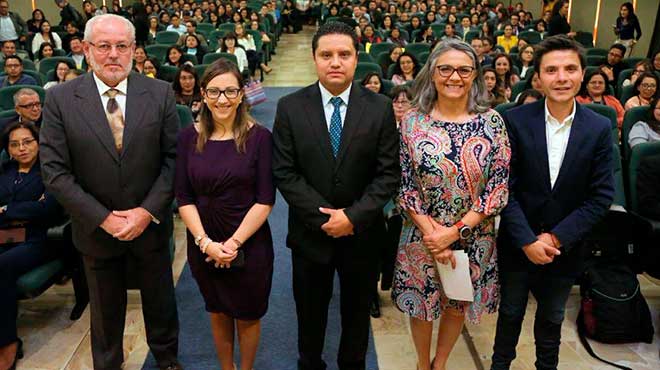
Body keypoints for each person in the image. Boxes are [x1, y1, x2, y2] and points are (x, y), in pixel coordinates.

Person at [39, 14, 181, 370]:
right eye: (104, 46)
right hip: (96, 231)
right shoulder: (60, 100)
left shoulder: (160, 93)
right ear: (87, 50)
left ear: (134, 49)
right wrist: (102, 218)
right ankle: (108, 364)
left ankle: (166, 359)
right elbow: (55, 173)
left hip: (149, 227)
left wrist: (146, 212)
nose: (113, 54)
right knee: (104, 312)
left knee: (161, 303)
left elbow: (174, 160)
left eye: (122, 46)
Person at [272, 21, 399, 370]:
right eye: (326, 55)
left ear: (357, 59)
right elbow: (285, 172)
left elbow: (387, 174)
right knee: (310, 317)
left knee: (357, 317)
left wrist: (353, 218)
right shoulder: (289, 107)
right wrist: (326, 218)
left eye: (344, 54)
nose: (335, 62)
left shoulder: (379, 107)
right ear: (314, 59)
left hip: (363, 235)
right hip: (311, 235)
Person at [491, 35, 614, 370]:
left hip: (566, 247)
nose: (562, 77)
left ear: (582, 74)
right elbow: (504, 188)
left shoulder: (600, 127)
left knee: (551, 319)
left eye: (570, 69)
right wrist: (528, 240)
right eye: (552, 70)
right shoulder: (514, 120)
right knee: (510, 314)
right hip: (518, 242)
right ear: (539, 77)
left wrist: (555, 238)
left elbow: (601, 195)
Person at [393, 38, 510, 370]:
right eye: (445, 68)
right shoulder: (412, 122)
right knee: (422, 304)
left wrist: (455, 233)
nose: (454, 77)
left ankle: (440, 363)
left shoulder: (492, 122)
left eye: (463, 69)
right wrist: (434, 235)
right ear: (432, 72)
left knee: (456, 303)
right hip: (422, 234)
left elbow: (498, 187)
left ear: (474, 75)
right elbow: (404, 183)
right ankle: (421, 363)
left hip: (472, 235)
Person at [175, 58, 274, 370]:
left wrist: (233, 244)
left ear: (241, 94)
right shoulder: (187, 138)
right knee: (216, 310)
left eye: (230, 91)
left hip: (249, 240)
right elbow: (184, 196)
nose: (222, 99)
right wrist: (206, 243)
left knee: (247, 313)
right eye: (215, 92)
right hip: (203, 240)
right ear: (203, 94)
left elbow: (265, 199)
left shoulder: (260, 137)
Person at [0, 121, 63, 370]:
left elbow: (48, 209)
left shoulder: (51, 170)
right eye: (14, 144)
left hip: (39, 239)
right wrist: (22, 211)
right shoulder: (5, 171)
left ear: (38, 143)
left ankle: (7, 342)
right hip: (5, 236)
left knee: (1, 266)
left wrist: (6, 209)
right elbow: (35, 207)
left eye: (27, 142)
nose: (21, 148)